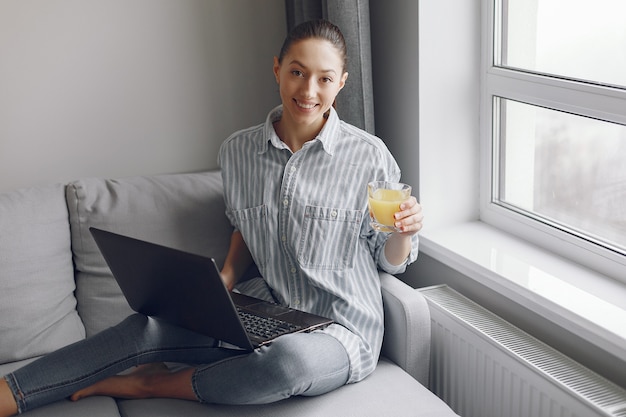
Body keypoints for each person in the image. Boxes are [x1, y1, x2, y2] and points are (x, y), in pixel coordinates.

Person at [0, 19, 423, 416]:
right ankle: (11, 394)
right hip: (266, 309)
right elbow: (246, 225)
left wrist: (403, 231)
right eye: (297, 72)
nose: (309, 89)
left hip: (340, 329)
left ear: (341, 83)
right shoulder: (237, 153)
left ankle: (153, 386)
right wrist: (224, 277)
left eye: (325, 78)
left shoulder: (369, 157)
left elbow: (389, 260)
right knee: (146, 327)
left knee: (288, 365)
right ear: (277, 70)